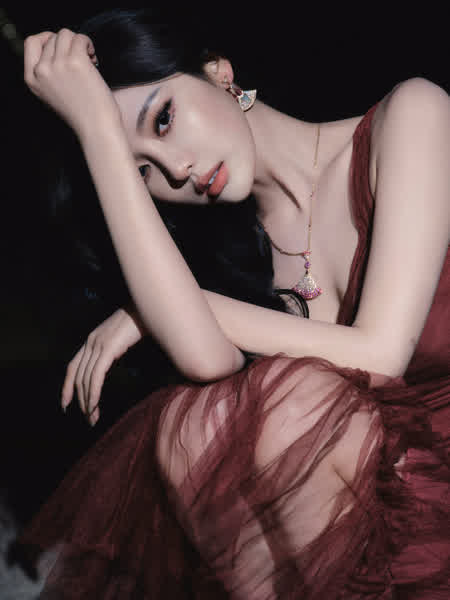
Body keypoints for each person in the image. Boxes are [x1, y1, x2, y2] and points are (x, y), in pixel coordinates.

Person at [14, 8, 449, 599]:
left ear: (218, 71)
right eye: (140, 173)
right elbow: (206, 360)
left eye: (163, 119)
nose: (177, 169)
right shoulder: (245, 266)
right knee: (188, 425)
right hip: (385, 527)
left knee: (294, 403)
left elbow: (380, 356)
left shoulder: (414, 116)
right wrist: (95, 132)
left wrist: (163, 309)